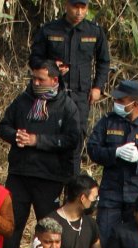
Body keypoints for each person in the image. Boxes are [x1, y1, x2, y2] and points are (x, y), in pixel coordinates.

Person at [0, 61, 82, 248]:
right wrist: (15, 135)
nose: (36, 82)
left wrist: (38, 141)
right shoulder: (23, 100)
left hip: (49, 176)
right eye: (33, 78)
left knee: (48, 224)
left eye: (40, 79)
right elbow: (3, 126)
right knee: (13, 221)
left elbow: (72, 139)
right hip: (19, 173)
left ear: (54, 80)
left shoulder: (67, 106)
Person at [86, 79, 138, 244]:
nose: (116, 103)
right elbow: (93, 149)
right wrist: (114, 152)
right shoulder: (107, 122)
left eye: (121, 101)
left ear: (135, 103)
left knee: (134, 243)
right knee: (104, 240)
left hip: (137, 197)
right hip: (111, 194)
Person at [29, 0, 110, 144]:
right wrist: (50, 67)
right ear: (66, 5)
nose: (79, 12)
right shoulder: (49, 30)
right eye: (75, 7)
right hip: (52, 93)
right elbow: (34, 59)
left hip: (81, 95)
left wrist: (98, 87)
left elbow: (103, 61)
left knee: (77, 136)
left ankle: (74, 167)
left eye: (83, 7)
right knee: (50, 133)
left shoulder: (95, 31)